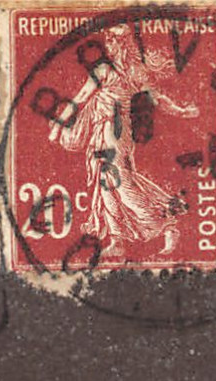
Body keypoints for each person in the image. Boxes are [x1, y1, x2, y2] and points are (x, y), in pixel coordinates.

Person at [49, 24, 198, 258]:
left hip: (112, 131)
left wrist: (58, 126)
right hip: (111, 133)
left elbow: (79, 99)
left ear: (117, 44)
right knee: (106, 184)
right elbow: (159, 100)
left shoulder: (111, 70)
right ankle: (116, 240)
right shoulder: (132, 72)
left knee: (121, 185)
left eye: (111, 41)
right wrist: (182, 111)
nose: (109, 45)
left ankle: (165, 225)